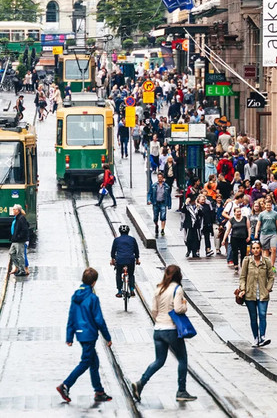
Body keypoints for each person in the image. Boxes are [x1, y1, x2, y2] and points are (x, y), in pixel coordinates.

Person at [131, 265, 195, 402]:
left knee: (159, 361)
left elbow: (154, 310)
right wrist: (185, 305)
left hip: (158, 330)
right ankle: (181, 391)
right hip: (171, 330)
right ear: (178, 275)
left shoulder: (159, 289)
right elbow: (178, 309)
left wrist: (159, 321)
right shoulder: (177, 289)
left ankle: (141, 383)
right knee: (182, 359)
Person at [57, 268, 113, 404]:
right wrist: (107, 337)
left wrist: (69, 336)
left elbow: (71, 316)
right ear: (94, 282)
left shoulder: (76, 296)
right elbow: (99, 320)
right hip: (89, 334)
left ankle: (99, 391)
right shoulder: (93, 298)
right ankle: (65, 385)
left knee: (94, 362)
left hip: (80, 334)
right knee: (85, 362)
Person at [238, 242, 274, 347]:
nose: (256, 250)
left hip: (262, 293)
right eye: (253, 248)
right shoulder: (247, 261)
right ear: (251, 250)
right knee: (253, 317)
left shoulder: (266, 261)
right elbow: (242, 277)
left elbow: (271, 276)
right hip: (250, 293)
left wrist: (268, 288)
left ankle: (262, 336)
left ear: (261, 249)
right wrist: (243, 289)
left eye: (258, 248)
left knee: (262, 315)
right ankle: (255, 337)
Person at [110, 224, 140, 298]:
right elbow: (136, 250)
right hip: (130, 259)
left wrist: (112, 260)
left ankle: (119, 291)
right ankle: (132, 289)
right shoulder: (132, 239)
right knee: (131, 274)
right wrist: (137, 260)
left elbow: (113, 251)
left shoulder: (116, 240)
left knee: (118, 274)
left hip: (120, 259)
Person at [222, 206, 250, 273]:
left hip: (243, 238)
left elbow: (248, 228)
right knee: (235, 252)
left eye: (240, 211)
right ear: (234, 213)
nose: (239, 213)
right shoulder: (231, 220)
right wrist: (224, 239)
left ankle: (243, 265)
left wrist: (249, 236)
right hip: (234, 238)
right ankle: (236, 265)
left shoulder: (245, 218)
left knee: (243, 252)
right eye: (237, 212)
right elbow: (228, 230)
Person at [255, 198, 277, 263]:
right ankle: (265, 264)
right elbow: (258, 224)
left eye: (269, 205)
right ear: (265, 205)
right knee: (265, 250)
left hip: (273, 233)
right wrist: (256, 233)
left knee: (273, 249)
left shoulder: (275, 214)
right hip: (264, 233)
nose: (268, 206)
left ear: (271, 205)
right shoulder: (261, 214)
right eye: (267, 205)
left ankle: (272, 265)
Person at [148, 172, 171, 237]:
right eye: (158, 177)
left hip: (163, 203)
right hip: (156, 203)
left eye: (161, 177)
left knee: (163, 217)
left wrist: (169, 204)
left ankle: (162, 229)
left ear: (163, 178)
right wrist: (149, 200)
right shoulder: (154, 186)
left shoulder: (166, 186)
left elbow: (168, 196)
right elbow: (149, 193)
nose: (160, 179)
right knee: (155, 217)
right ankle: (156, 225)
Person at [9, 204, 30, 277]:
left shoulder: (21, 218)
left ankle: (22, 270)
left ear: (18, 210)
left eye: (14, 209)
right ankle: (18, 267)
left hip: (19, 240)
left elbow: (24, 229)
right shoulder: (16, 218)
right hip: (15, 240)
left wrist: (18, 237)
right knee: (11, 253)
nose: (13, 210)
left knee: (20, 255)